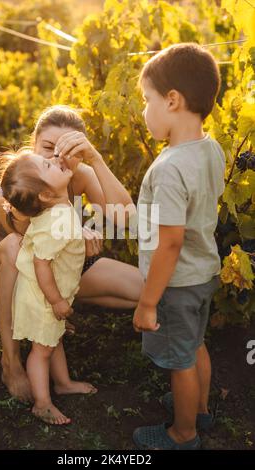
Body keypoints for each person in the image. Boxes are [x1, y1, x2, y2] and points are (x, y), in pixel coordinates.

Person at [0, 105, 143, 402]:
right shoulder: (12, 188)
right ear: (33, 143)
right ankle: (10, 362)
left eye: (69, 149)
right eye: (48, 147)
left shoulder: (81, 173)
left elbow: (125, 218)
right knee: (15, 247)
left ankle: (56, 310)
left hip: (61, 262)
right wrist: (78, 231)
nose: (56, 157)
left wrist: (96, 160)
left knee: (142, 288)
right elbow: (30, 239)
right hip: (7, 267)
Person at [132, 43, 225, 450]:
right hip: (204, 273)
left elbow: (170, 242)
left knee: (180, 360)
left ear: (172, 100)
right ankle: (200, 408)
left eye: (146, 100)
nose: (143, 110)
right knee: (195, 343)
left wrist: (148, 301)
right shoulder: (211, 149)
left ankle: (183, 434)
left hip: (176, 283)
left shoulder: (169, 169)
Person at [0, 148, 97, 425]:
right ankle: (42, 403)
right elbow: (41, 264)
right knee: (42, 351)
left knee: (53, 340)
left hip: (47, 293)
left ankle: (62, 383)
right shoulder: (56, 220)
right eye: (47, 165)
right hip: (43, 297)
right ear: (45, 196)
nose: (54, 160)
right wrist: (56, 301)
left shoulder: (58, 209)